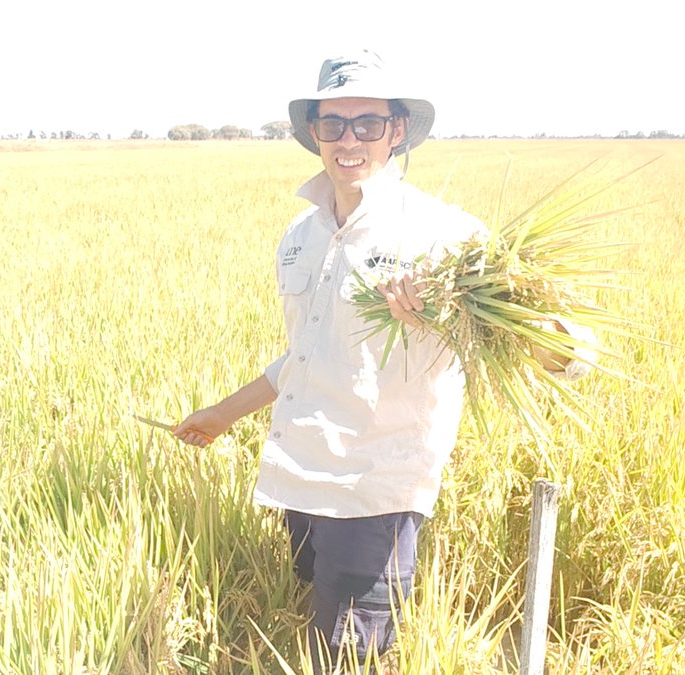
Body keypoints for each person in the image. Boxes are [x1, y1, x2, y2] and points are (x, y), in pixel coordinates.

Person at [173, 50, 589, 671]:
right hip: (302, 473)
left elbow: (573, 355)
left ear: (396, 131)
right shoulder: (301, 235)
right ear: (313, 132)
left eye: (367, 124)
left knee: (350, 653)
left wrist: (453, 309)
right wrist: (222, 414)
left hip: (377, 488)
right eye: (333, 124)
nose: (350, 140)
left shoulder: (442, 235)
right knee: (320, 624)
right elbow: (307, 357)